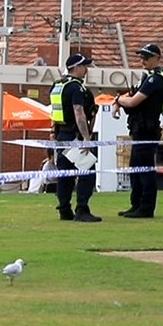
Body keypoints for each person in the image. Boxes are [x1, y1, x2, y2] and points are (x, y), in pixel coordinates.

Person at [112, 43, 163, 218]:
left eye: (146, 57)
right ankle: (136, 204)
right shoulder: (146, 77)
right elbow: (129, 98)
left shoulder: (155, 79)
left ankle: (146, 208)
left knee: (144, 170)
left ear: (157, 58)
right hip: (139, 129)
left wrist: (117, 99)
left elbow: (132, 102)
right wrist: (119, 101)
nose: (142, 60)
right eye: (141, 57)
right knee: (135, 168)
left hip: (147, 129)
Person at [49, 53, 101, 222]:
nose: (86, 70)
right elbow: (79, 113)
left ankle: (64, 209)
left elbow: (56, 113)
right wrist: (86, 138)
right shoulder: (76, 88)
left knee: (65, 174)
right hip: (74, 135)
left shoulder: (57, 86)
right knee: (88, 171)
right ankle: (82, 209)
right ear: (77, 68)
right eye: (84, 66)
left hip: (60, 135)